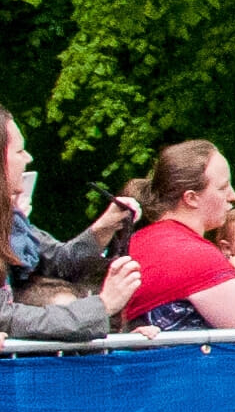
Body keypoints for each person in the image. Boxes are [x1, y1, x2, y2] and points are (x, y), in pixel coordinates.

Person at [1, 103, 144, 342]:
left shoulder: (12, 221)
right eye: (19, 152)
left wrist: (103, 228)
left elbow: (58, 261)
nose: (29, 158)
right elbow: (5, 317)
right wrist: (102, 306)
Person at [123, 143, 235, 332]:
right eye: (223, 188)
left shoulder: (138, 240)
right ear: (191, 198)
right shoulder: (193, 255)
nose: (233, 196)